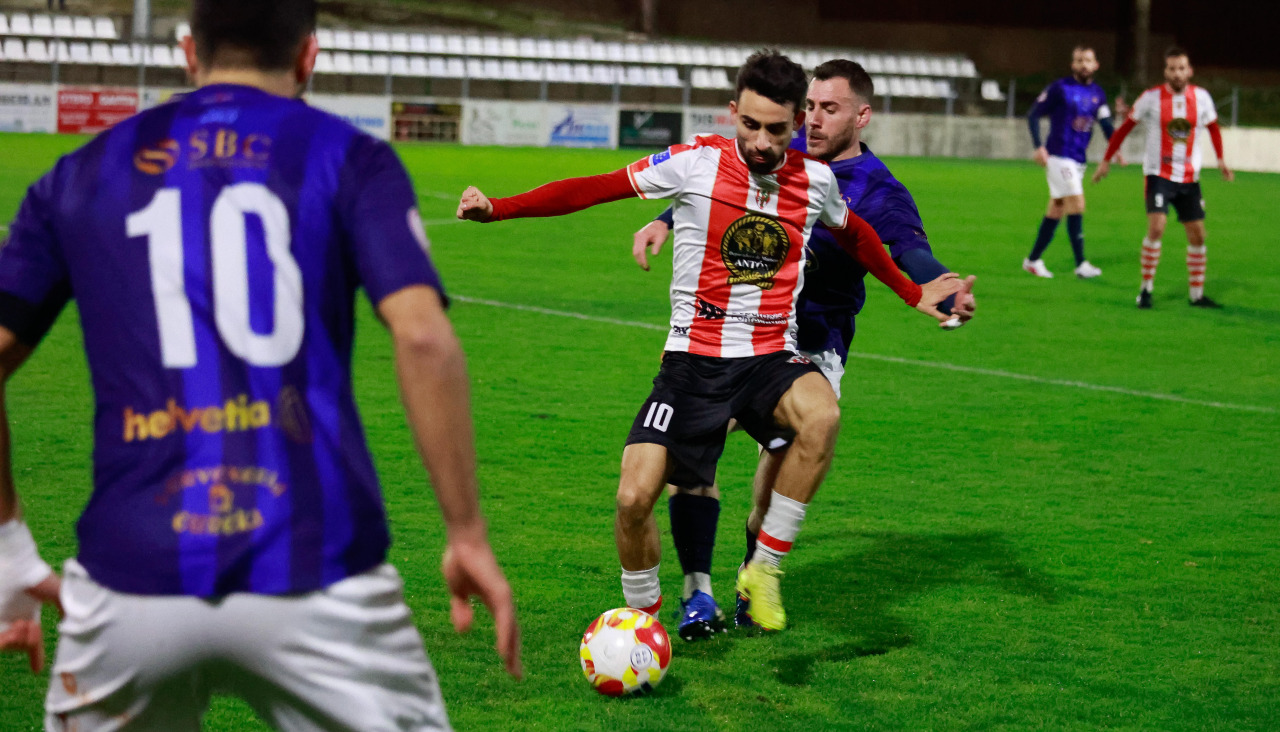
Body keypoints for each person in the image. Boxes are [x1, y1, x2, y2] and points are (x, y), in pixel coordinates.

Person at [0, 1, 521, 728]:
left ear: (189, 53)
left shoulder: (79, 175)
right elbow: (425, 339)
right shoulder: (349, 155)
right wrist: (466, 533)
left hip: (131, 577)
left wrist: (8, 547)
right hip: (317, 565)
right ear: (309, 57)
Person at [457, 50, 965, 633]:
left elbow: (859, 236)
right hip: (691, 364)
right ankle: (644, 616)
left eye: (776, 130)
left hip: (770, 357)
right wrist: (499, 210)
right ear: (733, 114)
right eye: (749, 125)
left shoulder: (816, 180)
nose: (761, 142)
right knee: (632, 500)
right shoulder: (696, 161)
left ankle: (763, 570)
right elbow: (594, 188)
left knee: (821, 418)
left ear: (796, 123)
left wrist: (912, 291)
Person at [634, 59, 976, 640]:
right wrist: (667, 218)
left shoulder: (878, 190)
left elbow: (908, 253)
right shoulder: (781, 153)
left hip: (813, 343)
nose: (813, 119)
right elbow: (725, 183)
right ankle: (697, 594)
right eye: (810, 107)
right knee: (691, 455)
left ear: (862, 116)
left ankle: (754, 572)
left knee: (777, 474)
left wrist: (937, 288)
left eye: (830, 109)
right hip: (734, 330)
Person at [1093, 46, 1233, 308]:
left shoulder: (1201, 98)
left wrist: (1222, 160)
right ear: (1165, 71)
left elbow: (1213, 128)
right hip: (1159, 174)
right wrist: (1106, 159)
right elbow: (1124, 128)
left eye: (1182, 68)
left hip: (1190, 178)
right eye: (1172, 68)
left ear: (1189, 71)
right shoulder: (1150, 98)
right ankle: (1146, 290)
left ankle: (1196, 295)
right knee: (1157, 228)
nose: (1177, 73)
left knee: (1198, 236)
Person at [1022, 45, 1115, 280]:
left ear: (1096, 65)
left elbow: (1105, 124)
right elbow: (1033, 114)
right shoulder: (1060, 88)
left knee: (1057, 208)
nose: (1084, 64)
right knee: (1077, 203)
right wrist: (1038, 146)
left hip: (1078, 159)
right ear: (1073, 65)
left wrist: (1115, 148)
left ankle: (1032, 260)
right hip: (1058, 155)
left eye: (1088, 60)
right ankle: (1081, 264)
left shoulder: (1098, 94)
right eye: (1079, 60)